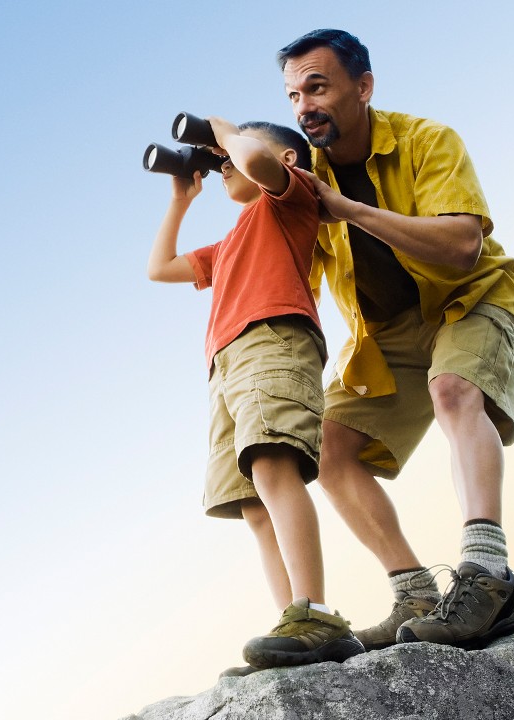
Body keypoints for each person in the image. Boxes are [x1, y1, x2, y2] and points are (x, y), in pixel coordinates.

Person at [275, 29, 514, 649]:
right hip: (387, 333)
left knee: (453, 392)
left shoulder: (427, 140)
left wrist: (353, 210)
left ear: (363, 87)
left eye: (318, 86)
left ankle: (488, 577)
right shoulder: (305, 174)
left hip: (468, 300)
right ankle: (413, 592)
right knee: (328, 451)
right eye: (292, 94)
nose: (304, 105)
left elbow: (462, 246)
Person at [147, 115, 365, 673]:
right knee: (253, 504)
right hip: (225, 365)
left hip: (274, 339)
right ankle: (294, 623)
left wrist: (221, 130)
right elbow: (160, 269)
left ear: (286, 161)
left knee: (272, 466)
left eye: (230, 155)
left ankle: (316, 611)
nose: (223, 164)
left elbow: (257, 163)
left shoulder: (288, 202)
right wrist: (182, 197)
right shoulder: (232, 240)